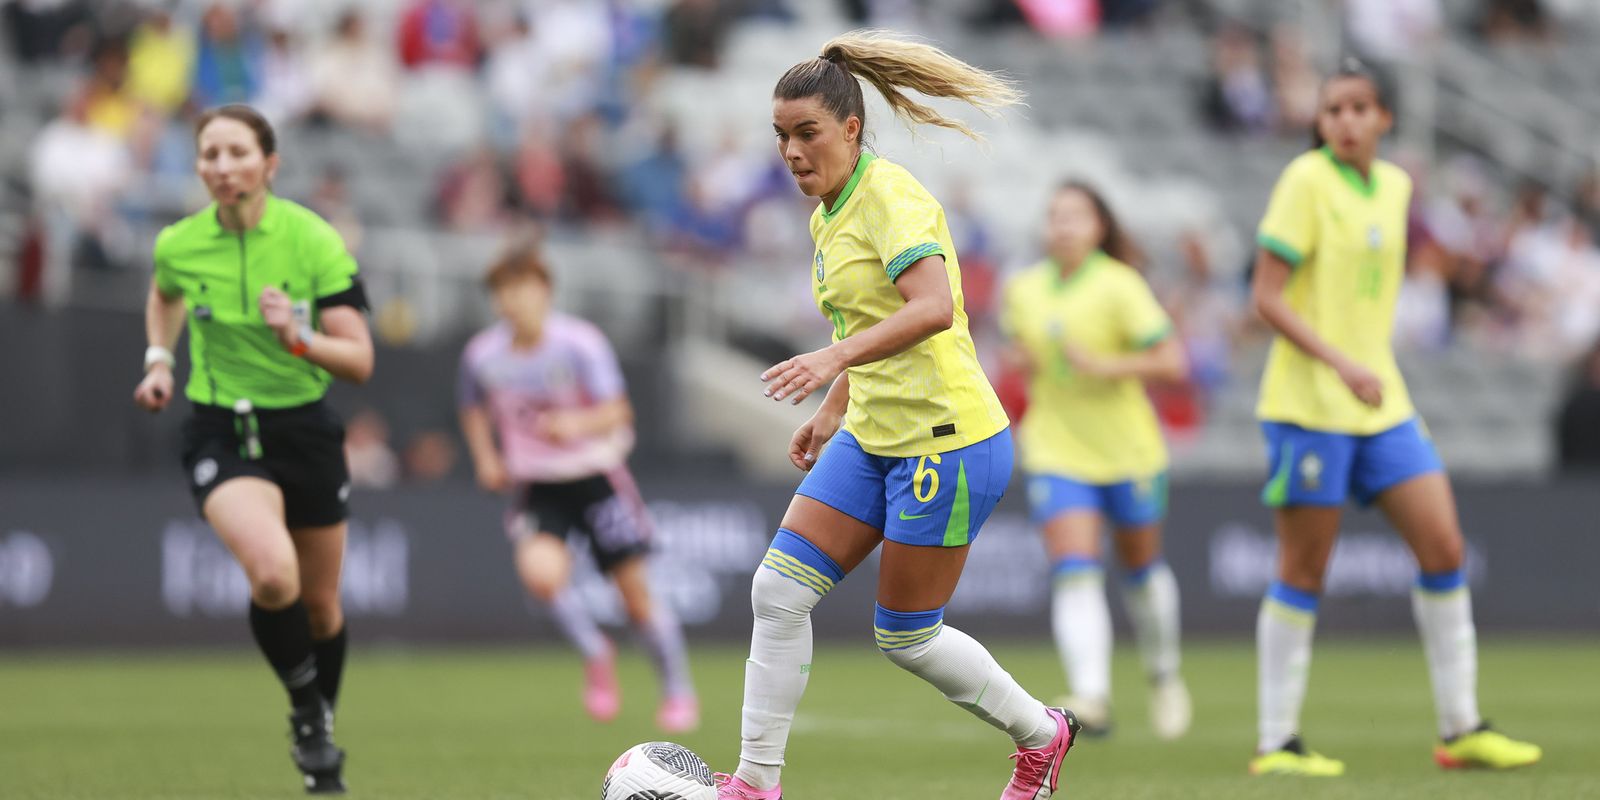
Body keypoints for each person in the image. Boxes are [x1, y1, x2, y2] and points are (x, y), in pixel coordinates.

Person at [716, 31, 1081, 800]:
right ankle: (754, 785)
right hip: (872, 433)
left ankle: (1042, 737)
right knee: (776, 593)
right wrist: (831, 407)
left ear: (851, 129)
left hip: (948, 441)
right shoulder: (827, 216)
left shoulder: (891, 196)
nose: (790, 151)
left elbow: (934, 308)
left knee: (906, 637)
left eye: (806, 132)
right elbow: (862, 325)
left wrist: (831, 361)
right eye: (780, 135)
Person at [1247, 59, 1541, 776]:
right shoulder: (1305, 181)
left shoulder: (1400, 186)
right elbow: (1267, 296)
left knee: (1443, 548)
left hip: (1384, 404)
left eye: (1357, 108)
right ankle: (1276, 742)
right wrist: (1341, 361)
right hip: (1311, 405)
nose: (1343, 121)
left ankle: (1461, 727)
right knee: (1304, 568)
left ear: (1385, 118)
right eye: (1332, 110)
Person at [132, 104, 373, 794]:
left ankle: (319, 724)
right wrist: (158, 360)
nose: (222, 165)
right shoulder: (179, 243)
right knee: (273, 575)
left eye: (237, 152)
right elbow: (164, 295)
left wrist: (297, 337)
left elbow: (358, 360)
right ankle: (308, 719)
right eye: (209, 153)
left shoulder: (313, 239)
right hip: (222, 429)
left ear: (269, 163)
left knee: (321, 606)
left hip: (304, 430)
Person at [457, 244, 698, 733]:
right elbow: (472, 405)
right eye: (503, 292)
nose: (513, 301)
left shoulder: (580, 343)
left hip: (595, 476)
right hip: (538, 485)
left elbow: (618, 411)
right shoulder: (483, 354)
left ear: (545, 292)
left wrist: (576, 423)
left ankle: (676, 689)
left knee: (634, 598)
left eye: (523, 289)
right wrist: (486, 457)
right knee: (541, 577)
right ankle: (596, 651)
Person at [999, 182, 1191, 739]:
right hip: (1058, 449)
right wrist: (1021, 361)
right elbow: (1023, 359)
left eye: (1075, 216)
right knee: (1075, 568)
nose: (1062, 225)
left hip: (1128, 452)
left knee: (1141, 571)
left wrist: (1103, 366)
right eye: (1054, 215)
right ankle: (1092, 696)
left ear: (1099, 226)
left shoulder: (1120, 284)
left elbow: (1173, 360)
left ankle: (1164, 675)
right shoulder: (1024, 290)